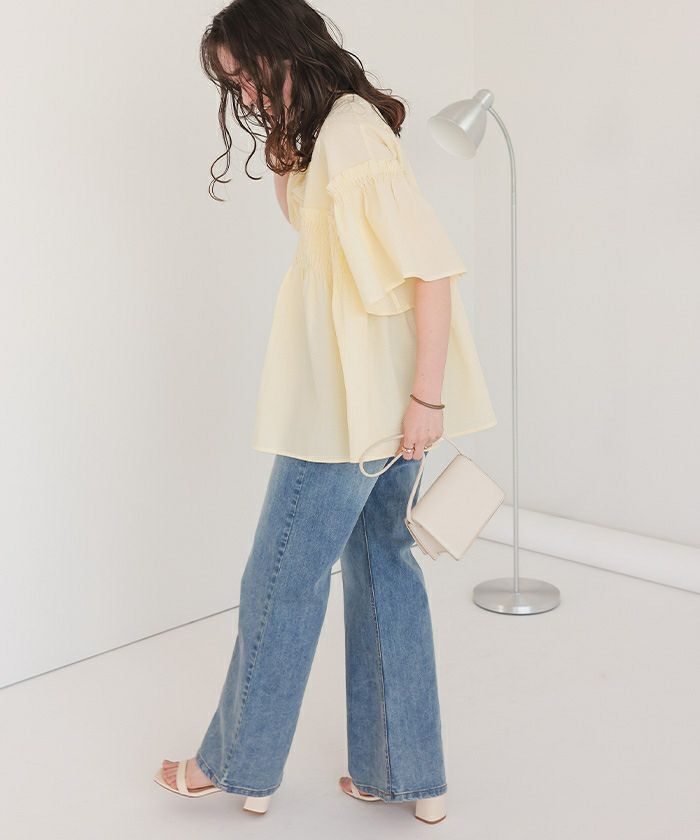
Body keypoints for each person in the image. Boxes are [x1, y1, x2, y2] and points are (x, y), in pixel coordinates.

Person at [153, 0, 497, 824]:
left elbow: (432, 271)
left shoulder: (349, 135)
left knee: (280, 580)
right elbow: (319, 236)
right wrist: (283, 142)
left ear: (283, 50)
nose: (243, 95)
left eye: (247, 76)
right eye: (233, 85)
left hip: (352, 413)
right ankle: (404, 775)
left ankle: (235, 763)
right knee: (382, 569)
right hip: (375, 406)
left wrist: (428, 398)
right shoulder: (333, 132)